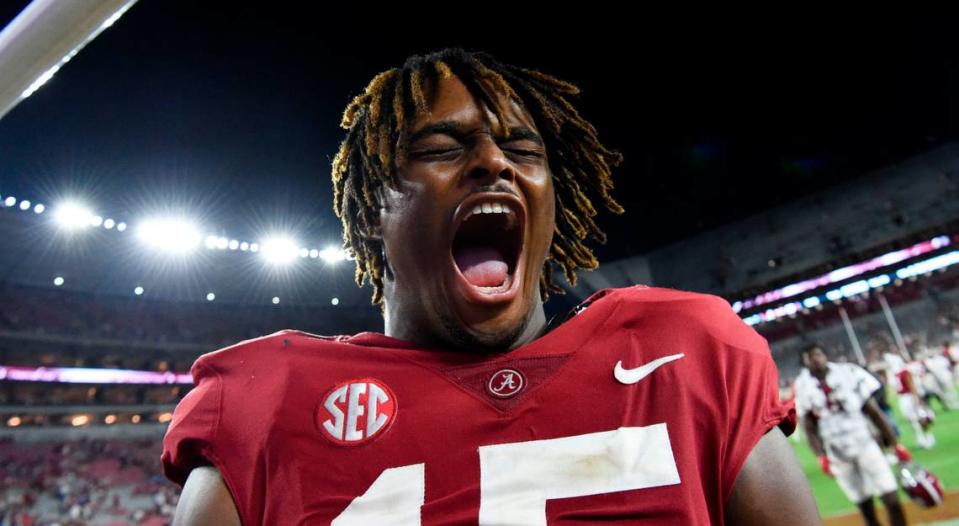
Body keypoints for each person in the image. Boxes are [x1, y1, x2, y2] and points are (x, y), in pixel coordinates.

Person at [162, 48, 819, 524]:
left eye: (523, 151)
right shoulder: (260, 406)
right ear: (370, 211)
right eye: (443, 148)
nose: (494, 163)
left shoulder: (686, 349)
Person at [796, 345, 911, 526]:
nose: (815, 360)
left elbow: (873, 411)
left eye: (817, 354)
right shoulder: (803, 386)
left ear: (825, 356)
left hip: (864, 442)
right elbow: (808, 427)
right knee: (864, 504)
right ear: (805, 363)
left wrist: (895, 444)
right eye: (809, 357)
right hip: (836, 450)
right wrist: (821, 457)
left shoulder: (847, 372)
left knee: (890, 494)